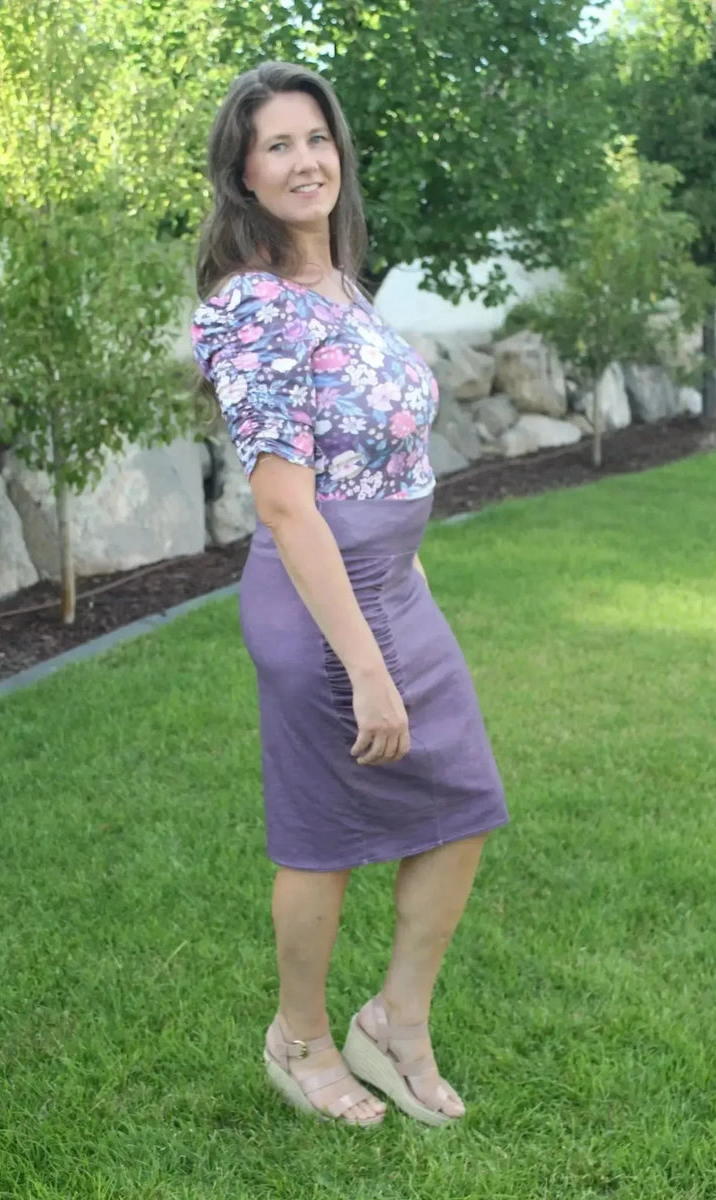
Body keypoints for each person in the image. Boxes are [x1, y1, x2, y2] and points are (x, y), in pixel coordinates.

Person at [191, 61, 508, 1129]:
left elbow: (382, 459)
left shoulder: (344, 291)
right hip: (317, 604)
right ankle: (300, 1037)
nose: (302, 160)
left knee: (461, 800)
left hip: (394, 587)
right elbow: (286, 506)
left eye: (314, 138)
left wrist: (410, 599)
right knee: (322, 839)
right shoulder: (251, 310)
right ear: (242, 173)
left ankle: (395, 1021)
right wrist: (366, 664)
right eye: (274, 144)